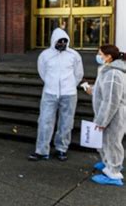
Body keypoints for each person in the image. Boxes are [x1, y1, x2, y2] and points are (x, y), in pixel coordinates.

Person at [28, 28, 84, 162]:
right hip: (50, 93)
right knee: (44, 121)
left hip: (69, 94)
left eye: (65, 41)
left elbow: (78, 74)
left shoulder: (74, 55)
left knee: (66, 122)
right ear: (54, 41)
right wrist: (50, 83)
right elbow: (42, 72)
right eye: (60, 41)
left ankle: (62, 149)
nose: (62, 44)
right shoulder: (45, 55)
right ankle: (42, 150)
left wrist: (70, 85)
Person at [89, 45, 125, 186]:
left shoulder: (113, 73)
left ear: (109, 56)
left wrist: (102, 122)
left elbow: (111, 100)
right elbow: (106, 92)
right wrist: (93, 90)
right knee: (106, 141)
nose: (98, 56)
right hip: (109, 113)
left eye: (100, 53)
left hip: (113, 115)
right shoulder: (108, 71)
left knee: (112, 142)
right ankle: (108, 163)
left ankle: (114, 173)